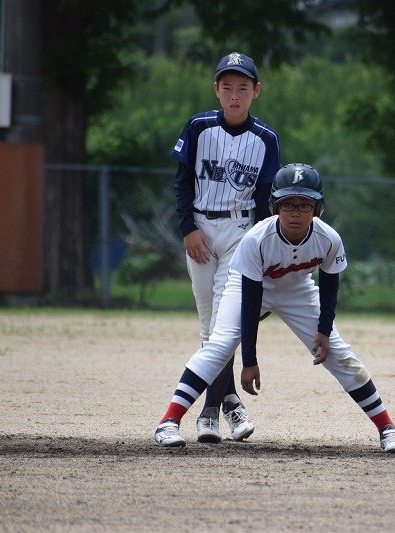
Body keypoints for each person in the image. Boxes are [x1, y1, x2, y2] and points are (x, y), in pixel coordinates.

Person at [154, 163, 395, 453]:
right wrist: (249, 361)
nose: (295, 212)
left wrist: (324, 330)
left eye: (305, 204)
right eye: (287, 204)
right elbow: (251, 301)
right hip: (249, 286)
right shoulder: (257, 239)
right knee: (220, 344)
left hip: (297, 289)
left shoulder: (328, 239)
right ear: (274, 206)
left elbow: (329, 287)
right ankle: (168, 422)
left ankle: (388, 429)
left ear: (318, 208)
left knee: (340, 355)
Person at [171, 51, 281, 443]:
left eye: (243, 87)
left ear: (256, 91)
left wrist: (262, 248)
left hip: (240, 232)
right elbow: (182, 181)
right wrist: (188, 228)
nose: (235, 95)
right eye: (228, 86)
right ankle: (231, 400)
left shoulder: (266, 138)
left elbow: (267, 199)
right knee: (210, 326)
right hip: (200, 230)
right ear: (216, 89)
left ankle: (208, 414)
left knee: (224, 325)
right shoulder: (198, 126)